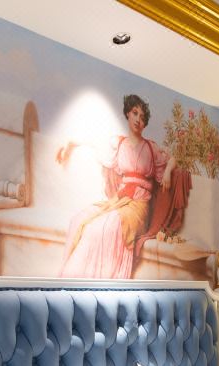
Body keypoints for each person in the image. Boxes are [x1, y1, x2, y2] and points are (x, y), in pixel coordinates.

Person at [57, 94, 177, 279]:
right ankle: (75, 278)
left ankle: (104, 280)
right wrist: (70, 144)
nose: (138, 119)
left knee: (109, 226)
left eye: (142, 117)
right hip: (119, 200)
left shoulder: (151, 147)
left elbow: (173, 159)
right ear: (128, 113)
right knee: (80, 220)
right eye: (135, 113)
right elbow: (93, 140)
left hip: (138, 207)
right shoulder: (119, 143)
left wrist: (167, 171)